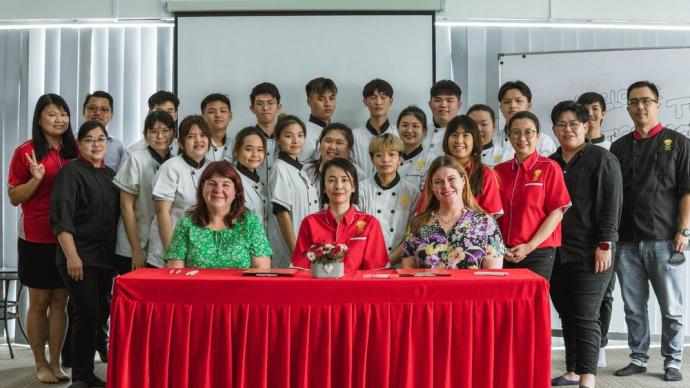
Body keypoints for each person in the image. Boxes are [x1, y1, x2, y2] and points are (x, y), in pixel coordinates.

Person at [610, 81, 690, 382]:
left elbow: (686, 191)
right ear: (628, 107)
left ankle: (672, 362)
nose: (640, 107)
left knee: (671, 307)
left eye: (646, 101)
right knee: (633, 307)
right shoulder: (618, 148)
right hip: (627, 240)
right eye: (634, 102)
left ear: (657, 104)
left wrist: (683, 230)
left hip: (665, 239)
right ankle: (638, 357)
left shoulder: (678, 143)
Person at [548, 101, 623, 388]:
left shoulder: (601, 159)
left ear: (586, 126)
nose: (568, 130)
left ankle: (588, 378)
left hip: (593, 251)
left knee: (586, 314)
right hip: (557, 252)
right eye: (561, 125)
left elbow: (611, 206)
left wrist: (605, 243)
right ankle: (572, 370)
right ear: (554, 129)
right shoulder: (551, 163)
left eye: (573, 124)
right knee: (567, 313)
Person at [7, 93, 77, 383]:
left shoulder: (75, 151)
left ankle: (56, 362)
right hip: (37, 236)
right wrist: (35, 180)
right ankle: (39, 362)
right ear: (39, 119)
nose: (59, 119)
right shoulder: (26, 152)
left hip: (69, 239)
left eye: (63, 114)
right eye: (51, 114)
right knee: (39, 302)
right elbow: (13, 197)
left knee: (60, 302)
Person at [51, 120, 120, 388]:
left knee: (101, 312)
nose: (96, 144)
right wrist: (72, 256)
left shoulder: (111, 175)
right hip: (78, 256)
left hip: (104, 258)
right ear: (79, 144)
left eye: (101, 139)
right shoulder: (70, 174)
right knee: (86, 311)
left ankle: (85, 369)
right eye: (89, 139)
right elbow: (62, 219)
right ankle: (81, 375)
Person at [493, 111, 571, 280]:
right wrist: (499, 247)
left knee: (532, 303)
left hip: (538, 252)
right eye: (515, 132)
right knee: (506, 304)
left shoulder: (550, 167)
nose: (522, 138)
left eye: (528, 132)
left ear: (538, 136)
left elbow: (557, 212)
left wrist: (529, 246)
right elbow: (492, 215)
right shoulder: (499, 171)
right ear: (508, 136)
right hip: (504, 252)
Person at [401, 156, 505, 270]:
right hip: (428, 288)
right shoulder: (417, 224)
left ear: (463, 180)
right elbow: (409, 276)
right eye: (438, 182)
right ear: (431, 187)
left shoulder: (486, 224)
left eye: (451, 179)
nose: (446, 186)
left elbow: (493, 280)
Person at [164, 161, 272, 269]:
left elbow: (261, 272)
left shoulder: (250, 223)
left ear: (236, 191)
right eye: (212, 183)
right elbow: (175, 274)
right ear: (202, 188)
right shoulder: (186, 224)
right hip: (196, 286)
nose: (218, 190)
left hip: (241, 287)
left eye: (226, 184)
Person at [292, 158, 389, 270]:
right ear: (323, 187)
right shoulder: (309, 223)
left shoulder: (370, 223)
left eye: (344, 180)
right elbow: (301, 270)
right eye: (331, 180)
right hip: (319, 287)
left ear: (354, 187)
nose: (338, 186)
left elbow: (376, 273)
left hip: (357, 287)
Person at [576, 91, 613, 369]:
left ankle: (599, 347)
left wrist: (607, 240)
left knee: (606, 294)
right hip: (576, 239)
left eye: (595, 108)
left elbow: (613, 198)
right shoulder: (569, 153)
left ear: (602, 113)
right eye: (584, 109)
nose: (590, 113)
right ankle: (581, 356)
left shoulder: (614, 148)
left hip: (607, 237)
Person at [113, 111, 175, 272]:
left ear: (174, 133)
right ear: (145, 135)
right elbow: (126, 206)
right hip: (134, 244)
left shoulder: (176, 161)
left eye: (165, 130)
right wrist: (136, 250)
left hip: (161, 246)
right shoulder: (136, 158)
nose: (160, 136)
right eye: (153, 131)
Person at [147, 115, 211, 268]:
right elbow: (162, 213)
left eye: (203, 135)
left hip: (200, 251)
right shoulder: (170, 168)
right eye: (191, 136)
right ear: (181, 143)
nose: (198, 140)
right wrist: (172, 255)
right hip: (169, 251)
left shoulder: (213, 168)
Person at [415, 116, 503, 217]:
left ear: (474, 140)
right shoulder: (436, 170)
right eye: (454, 135)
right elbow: (423, 211)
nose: (459, 141)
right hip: (438, 229)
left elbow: (490, 218)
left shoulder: (485, 173)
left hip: (474, 231)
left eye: (465, 135)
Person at [359, 133, 420, 264]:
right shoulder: (361, 190)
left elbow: (413, 234)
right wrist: (374, 262)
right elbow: (357, 231)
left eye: (392, 154)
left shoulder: (412, 192)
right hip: (367, 263)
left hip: (401, 263)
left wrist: (388, 261)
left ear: (400, 158)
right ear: (372, 159)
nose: (385, 160)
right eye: (379, 155)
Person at [268, 114, 320, 267]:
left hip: (307, 248)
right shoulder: (280, 168)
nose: (296, 141)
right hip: (292, 251)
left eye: (300, 135)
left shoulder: (300, 169)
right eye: (289, 136)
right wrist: (297, 253)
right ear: (278, 139)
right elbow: (282, 213)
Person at [496, 80, 557, 162]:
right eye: (507, 102)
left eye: (518, 101)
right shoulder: (493, 140)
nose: (513, 106)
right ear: (501, 108)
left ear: (529, 106)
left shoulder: (544, 142)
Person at [303, 123, 366, 196]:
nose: (332, 147)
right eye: (328, 141)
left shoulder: (359, 178)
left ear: (349, 149)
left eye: (339, 143)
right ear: (320, 145)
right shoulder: (307, 172)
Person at [352, 79, 398, 175]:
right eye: (373, 97)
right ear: (365, 101)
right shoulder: (354, 135)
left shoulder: (399, 134)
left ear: (391, 101)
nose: (378, 102)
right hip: (361, 188)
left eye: (383, 97)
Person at [232, 126, 270, 228]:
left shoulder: (261, 181)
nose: (255, 154)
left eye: (260, 150)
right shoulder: (231, 181)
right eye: (248, 149)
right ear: (236, 150)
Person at [246, 82, 282, 185]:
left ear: (279, 107)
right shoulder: (245, 139)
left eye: (270, 103)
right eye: (259, 103)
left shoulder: (287, 139)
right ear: (252, 108)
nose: (265, 108)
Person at [126, 90, 180, 155]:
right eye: (159, 111)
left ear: (176, 115)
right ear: (149, 113)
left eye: (169, 111)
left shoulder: (183, 148)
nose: (165, 116)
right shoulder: (132, 151)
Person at [82, 91, 124, 171]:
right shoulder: (71, 140)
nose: (97, 113)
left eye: (104, 109)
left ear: (111, 115)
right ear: (83, 112)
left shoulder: (117, 146)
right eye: (92, 108)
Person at [299, 77, 337, 162]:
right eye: (321, 99)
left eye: (331, 98)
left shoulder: (338, 132)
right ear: (309, 102)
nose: (328, 104)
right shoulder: (302, 133)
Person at [397, 105, 432, 191]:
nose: (409, 130)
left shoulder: (430, 161)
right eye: (404, 125)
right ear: (398, 128)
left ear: (424, 131)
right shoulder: (390, 157)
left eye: (415, 126)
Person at [426, 80, 462, 160]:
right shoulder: (421, 131)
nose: (443, 105)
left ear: (459, 105)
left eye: (449, 100)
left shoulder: (465, 133)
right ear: (430, 104)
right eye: (438, 100)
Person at [201, 93, 233, 161]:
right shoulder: (197, 144)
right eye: (212, 112)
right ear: (203, 118)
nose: (218, 115)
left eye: (223, 111)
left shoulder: (236, 146)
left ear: (230, 116)